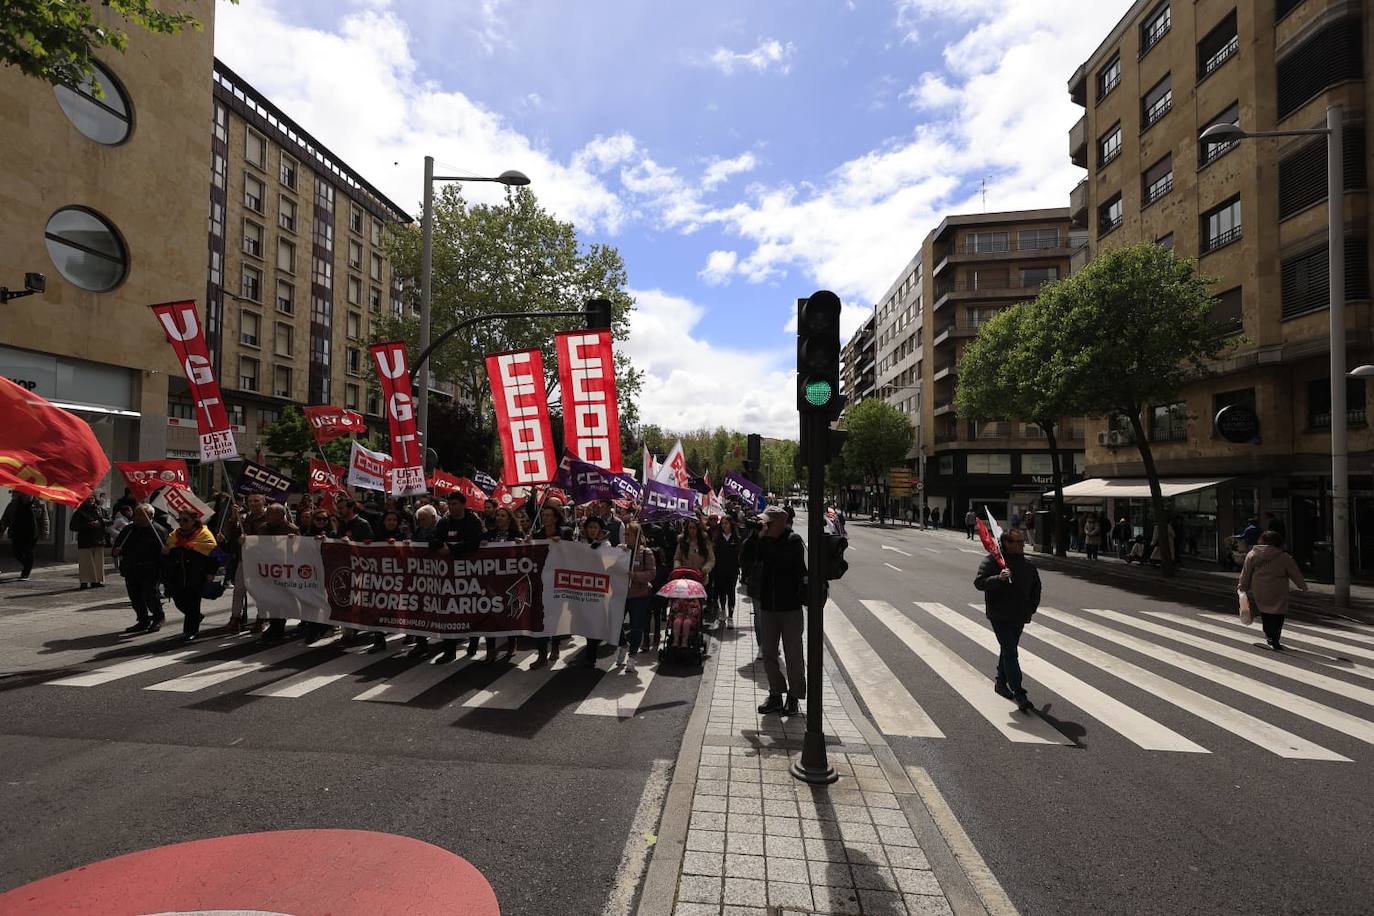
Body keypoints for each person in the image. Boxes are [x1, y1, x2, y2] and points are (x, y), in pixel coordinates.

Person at [974, 528, 1041, 712]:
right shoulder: (993, 560)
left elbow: (1036, 588)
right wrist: (998, 578)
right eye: (1018, 542)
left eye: (1022, 541)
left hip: (1020, 615)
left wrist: (1031, 608)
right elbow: (979, 583)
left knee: (1007, 649)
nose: (1022, 545)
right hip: (1000, 615)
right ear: (1007, 543)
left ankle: (1000, 682)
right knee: (1011, 652)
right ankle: (1019, 693)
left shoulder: (1028, 565)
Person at [753, 506, 806, 717]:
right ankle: (776, 694)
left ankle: (794, 697)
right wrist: (753, 537)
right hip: (768, 606)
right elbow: (747, 559)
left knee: (793, 655)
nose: (764, 526)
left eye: (768, 523)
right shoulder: (762, 540)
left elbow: (780, 562)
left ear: (780, 523)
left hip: (790, 607)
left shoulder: (793, 542)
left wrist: (764, 540)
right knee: (769, 654)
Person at [428, 493, 484, 665]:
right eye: (449, 503)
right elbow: (433, 539)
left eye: (454, 504)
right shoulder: (444, 521)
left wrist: (452, 550)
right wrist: (439, 546)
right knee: (449, 612)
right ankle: (449, 650)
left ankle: (473, 641)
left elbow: (474, 543)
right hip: (449, 577)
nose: (451, 507)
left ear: (463, 504)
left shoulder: (473, 521)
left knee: (470, 609)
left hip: (470, 574)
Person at [1240, 530, 1308, 651]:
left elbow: (1246, 572)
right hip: (1279, 588)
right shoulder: (1284, 557)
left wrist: (1242, 587)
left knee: (1265, 612)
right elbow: (1295, 573)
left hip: (1259, 588)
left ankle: (1269, 635)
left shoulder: (1252, 555)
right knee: (1278, 613)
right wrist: (1302, 586)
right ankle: (1275, 638)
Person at [161, 510, 218, 641]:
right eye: (179, 520)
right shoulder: (174, 535)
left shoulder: (204, 535)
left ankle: (191, 631)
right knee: (179, 601)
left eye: (185, 520)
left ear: (194, 521)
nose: (181, 523)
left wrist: (210, 572)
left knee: (193, 603)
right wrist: (166, 552)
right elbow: (168, 553)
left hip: (196, 575)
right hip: (178, 575)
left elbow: (213, 555)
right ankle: (196, 617)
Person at [111, 504, 166, 633]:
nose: (137, 518)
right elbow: (116, 547)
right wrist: (116, 551)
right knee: (135, 597)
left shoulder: (158, 531)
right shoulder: (129, 530)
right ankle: (143, 619)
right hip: (132, 568)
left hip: (151, 569)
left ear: (150, 516)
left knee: (151, 595)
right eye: (136, 514)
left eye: (141, 515)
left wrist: (165, 555)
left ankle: (158, 617)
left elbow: (166, 552)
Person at [530, 505, 573, 666]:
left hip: (558, 581)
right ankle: (542, 654)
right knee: (540, 618)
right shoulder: (538, 534)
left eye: (548, 515)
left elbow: (574, 553)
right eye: (543, 515)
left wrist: (561, 543)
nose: (545, 518)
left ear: (555, 518)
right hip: (541, 581)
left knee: (555, 616)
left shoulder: (565, 532)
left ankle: (555, 645)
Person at [617, 522, 657, 673]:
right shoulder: (621, 550)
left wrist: (635, 576)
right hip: (621, 595)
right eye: (625, 534)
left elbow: (651, 574)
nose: (626, 537)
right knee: (615, 623)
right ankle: (622, 645)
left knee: (636, 627)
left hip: (639, 595)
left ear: (637, 536)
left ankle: (632, 656)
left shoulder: (646, 553)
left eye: (629, 534)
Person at [225, 494, 268, 633]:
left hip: (263, 561)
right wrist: (233, 518)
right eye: (250, 501)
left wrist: (251, 539)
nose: (253, 503)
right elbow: (231, 535)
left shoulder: (271, 516)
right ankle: (235, 618)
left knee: (260, 592)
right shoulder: (243, 517)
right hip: (244, 559)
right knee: (239, 589)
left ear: (263, 501)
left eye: (256, 501)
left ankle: (262, 618)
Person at [577, 516, 613, 668]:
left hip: (599, 589)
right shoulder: (581, 543)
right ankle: (591, 645)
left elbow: (608, 562)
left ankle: (590, 656)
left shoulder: (606, 544)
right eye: (590, 527)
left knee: (594, 620)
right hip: (583, 588)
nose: (592, 530)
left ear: (600, 530)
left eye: (595, 527)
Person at [1, 492, 49, 581]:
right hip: (17, 532)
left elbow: (44, 519)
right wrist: (1, 529)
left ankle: (26, 573)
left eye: (27, 493)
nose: (25, 495)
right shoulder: (14, 504)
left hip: (32, 533)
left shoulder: (39, 504)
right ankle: (27, 565)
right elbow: (5, 518)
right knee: (16, 552)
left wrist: (45, 532)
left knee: (29, 552)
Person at [70, 494, 109, 589]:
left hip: (98, 539)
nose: (90, 500)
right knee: (85, 562)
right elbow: (73, 526)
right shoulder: (79, 512)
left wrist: (104, 522)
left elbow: (107, 521)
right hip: (85, 540)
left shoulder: (99, 510)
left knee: (98, 562)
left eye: (92, 498)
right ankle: (85, 581)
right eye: (87, 499)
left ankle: (96, 581)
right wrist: (89, 525)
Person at [711, 516, 742, 627]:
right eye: (723, 523)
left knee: (731, 593)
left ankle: (731, 616)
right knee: (721, 592)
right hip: (719, 570)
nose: (724, 525)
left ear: (731, 525)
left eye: (726, 523)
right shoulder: (718, 538)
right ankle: (723, 611)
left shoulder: (736, 538)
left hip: (732, 571)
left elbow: (739, 555)